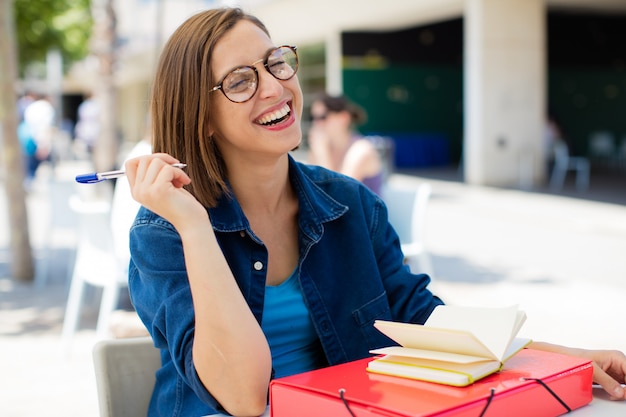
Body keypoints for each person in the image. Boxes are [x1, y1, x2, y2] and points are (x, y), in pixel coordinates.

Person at [122, 8, 626, 417]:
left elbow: (424, 321)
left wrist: (563, 359)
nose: (275, 87)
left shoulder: (350, 204)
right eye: (240, 81)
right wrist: (192, 224)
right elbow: (244, 397)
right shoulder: (165, 230)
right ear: (201, 117)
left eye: (275, 62)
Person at [308, 93, 384, 195]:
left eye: (322, 117)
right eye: (313, 118)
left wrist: (321, 153)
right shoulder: (323, 147)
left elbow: (339, 195)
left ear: (343, 118)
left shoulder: (361, 149)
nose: (316, 123)